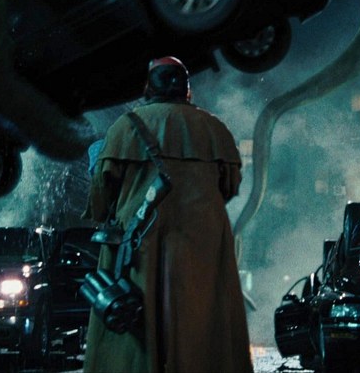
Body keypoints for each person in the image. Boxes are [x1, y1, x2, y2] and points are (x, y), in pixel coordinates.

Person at [83, 57, 252, 373]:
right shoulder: (215, 129)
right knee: (203, 327)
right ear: (186, 90)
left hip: (138, 249)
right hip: (201, 249)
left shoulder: (125, 127)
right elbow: (229, 187)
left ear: (148, 87)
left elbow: (101, 198)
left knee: (133, 333)